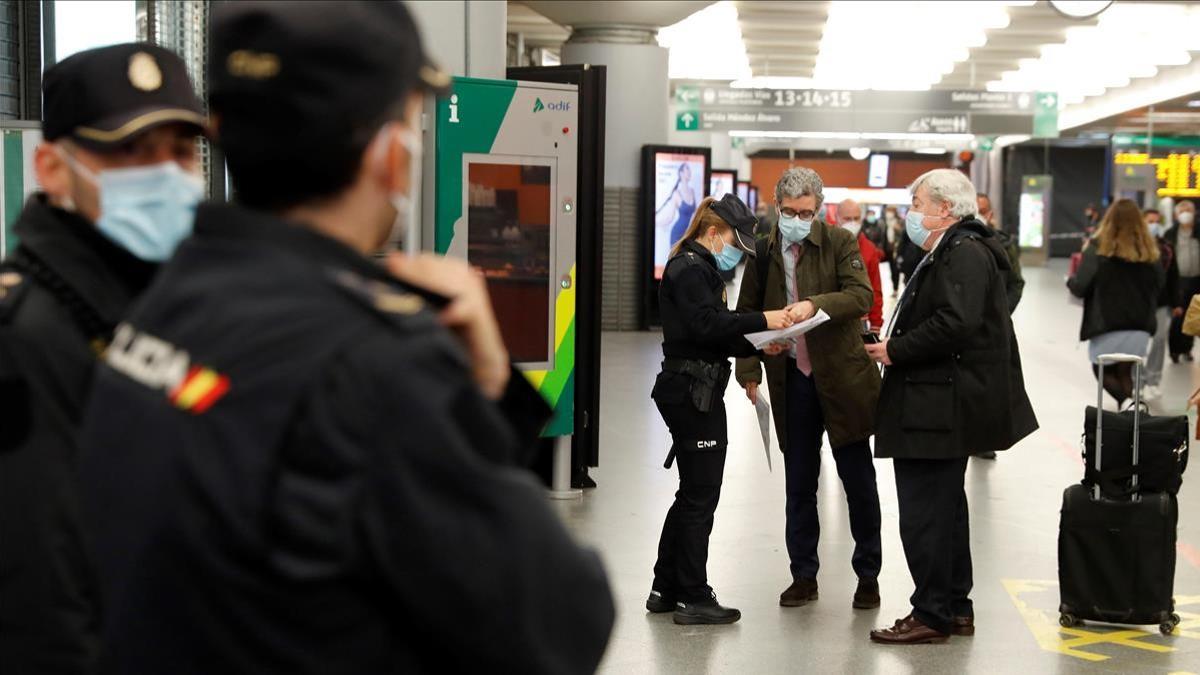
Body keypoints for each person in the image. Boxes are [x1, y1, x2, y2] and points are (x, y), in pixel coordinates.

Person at [76, 3, 614, 673]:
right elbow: (562, 619)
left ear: (218, 131)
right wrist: (485, 390)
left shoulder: (166, 298)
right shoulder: (378, 360)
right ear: (392, 156)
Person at [0, 43, 206, 674]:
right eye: (127, 151)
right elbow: (37, 591)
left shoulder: (163, 305)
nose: (165, 173)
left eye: (181, 150)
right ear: (53, 169)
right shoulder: (25, 334)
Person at [865, 168, 1037, 644]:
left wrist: (895, 350)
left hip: (937, 406)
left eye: (917, 202)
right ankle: (956, 606)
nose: (912, 212)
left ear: (944, 208)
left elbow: (955, 323)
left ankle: (931, 613)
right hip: (940, 401)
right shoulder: (956, 250)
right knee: (946, 509)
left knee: (925, 513)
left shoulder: (962, 253)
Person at [735, 167, 884, 612]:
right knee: (799, 483)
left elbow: (860, 296)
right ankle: (803, 575)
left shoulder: (839, 242)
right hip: (791, 380)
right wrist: (750, 367)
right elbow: (747, 312)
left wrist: (813, 305)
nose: (798, 219)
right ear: (776, 207)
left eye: (806, 212)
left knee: (857, 479)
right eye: (790, 211)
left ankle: (868, 575)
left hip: (841, 378)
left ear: (819, 209)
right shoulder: (762, 251)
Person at [648, 194, 793, 625]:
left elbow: (710, 335)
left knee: (690, 493)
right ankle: (692, 595)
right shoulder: (691, 269)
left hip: (692, 387)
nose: (736, 252)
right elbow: (706, 325)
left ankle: (665, 587)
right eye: (734, 241)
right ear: (714, 233)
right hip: (693, 393)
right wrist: (765, 320)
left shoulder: (696, 267)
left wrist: (762, 344)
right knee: (701, 497)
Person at [1068, 199, 1165, 408]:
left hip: (1106, 323)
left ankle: (1127, 402)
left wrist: (1069, 281)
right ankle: (1132, 411)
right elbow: (1160, 284)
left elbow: (1080, 286)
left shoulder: (1096, 248)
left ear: (1109, 220)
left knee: (1101, 368)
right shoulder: (1149, 251)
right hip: (1140, 325)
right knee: (1124, 371)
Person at [1143, 208, 1181, 400]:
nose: (1154, 225)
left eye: (1156, 221)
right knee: (1140, 343)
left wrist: (1176, 303)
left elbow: (1174, 276)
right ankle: (1138, 381)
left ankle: (1153, 379)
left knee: (1159, 341)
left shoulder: (1167, 248)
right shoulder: (1135, 245)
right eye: (1150, 221)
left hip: (1162, 302)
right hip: (1139, 303)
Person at [836, 198, 884, 335]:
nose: (852, 222)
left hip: (859, 320)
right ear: (837, 218)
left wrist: (876, 324)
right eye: (847, 218)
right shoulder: (826, 245)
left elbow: (875, 288)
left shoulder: (869, 249)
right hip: (829, 316)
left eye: (856, 218)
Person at [976, 192, 1025, 313]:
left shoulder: (1005, 245)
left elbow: (1016, 283)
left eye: (982, 212)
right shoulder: (957, 243)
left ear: (990, 214)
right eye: (973, 211)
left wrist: (1002, 313)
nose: (977, 216)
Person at [1166, 199, 1200, 362]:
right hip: (1178, 280)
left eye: (1189, 211)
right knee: (1178, 316)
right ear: (1176, 214)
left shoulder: (1198, 232)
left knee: (1193, 315)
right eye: (1182, 211)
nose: (1186, 214)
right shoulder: (1170, 234)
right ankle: (1175, 349)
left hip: (1196, 280)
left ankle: (1187, 348)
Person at [658, 162, 699, 251]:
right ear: (681, 173)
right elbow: (670, 217)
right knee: (677, 263)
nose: (689, 172)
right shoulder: (677, 193)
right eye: (687, 169)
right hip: (677, 234)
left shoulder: (692, 191)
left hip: (688, 235)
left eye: (690, 169)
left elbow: (696, 215)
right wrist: (657, 223)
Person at [883, 205, 905, 295]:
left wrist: (898, 229)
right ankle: (894, 288)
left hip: (898, 250)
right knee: (892, 270)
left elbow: (904, 235)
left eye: (891, 211)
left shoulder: (900, 221)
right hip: (889, 250)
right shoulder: (885, 222)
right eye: (888, 211)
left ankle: (899, 288)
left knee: (897, 270)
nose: (889, 213)